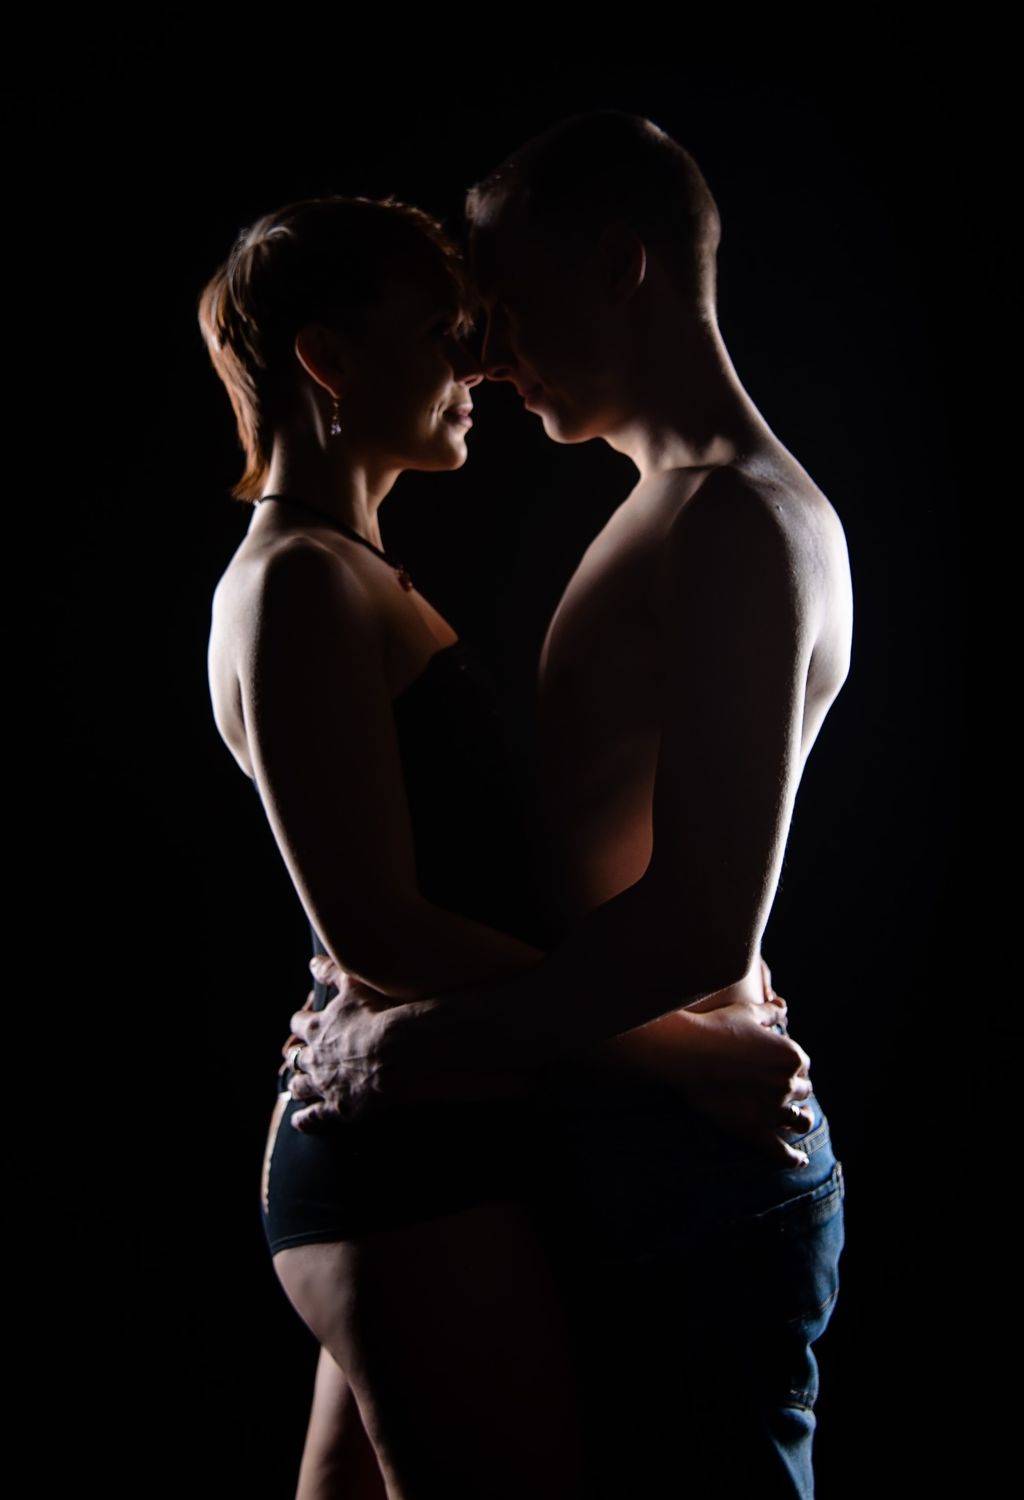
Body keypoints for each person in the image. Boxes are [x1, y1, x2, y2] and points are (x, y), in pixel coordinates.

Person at [200, 191, 808, 1500]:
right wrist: (682, 1049)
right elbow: (381, 934)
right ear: (327, 360)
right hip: (404, 1168)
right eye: (441, 332)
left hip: (422, 1148)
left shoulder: (345, 569)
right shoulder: (298, 582)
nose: (478, 364)